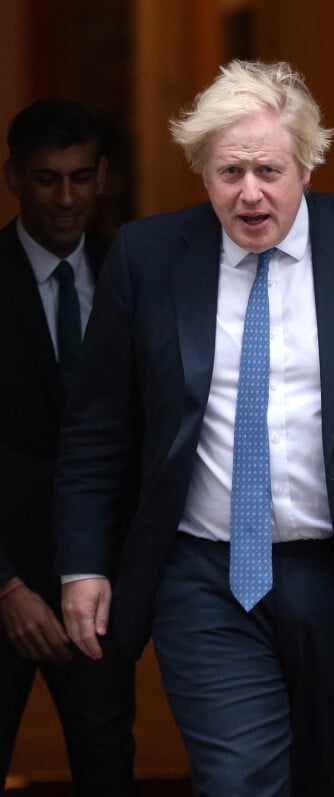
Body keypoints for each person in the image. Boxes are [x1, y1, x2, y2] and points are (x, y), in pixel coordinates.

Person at [55, 61, 334, 797]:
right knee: (241, 780)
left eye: (268, 169)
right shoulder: (148, 257)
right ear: (202, 173)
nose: (249, 192)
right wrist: (83, 562)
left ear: (309, 165)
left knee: (319, 775)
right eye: (229, 171)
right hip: (203, 576)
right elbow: (98, 429)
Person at [0, 98, 137, 796]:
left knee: (108, 765)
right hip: (5, 583)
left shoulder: (132, 277)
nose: (66, 197)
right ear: (14, 177)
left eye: (81, 177)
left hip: (100, 585)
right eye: (47, 178)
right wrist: (6, 585)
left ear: (103, 176)